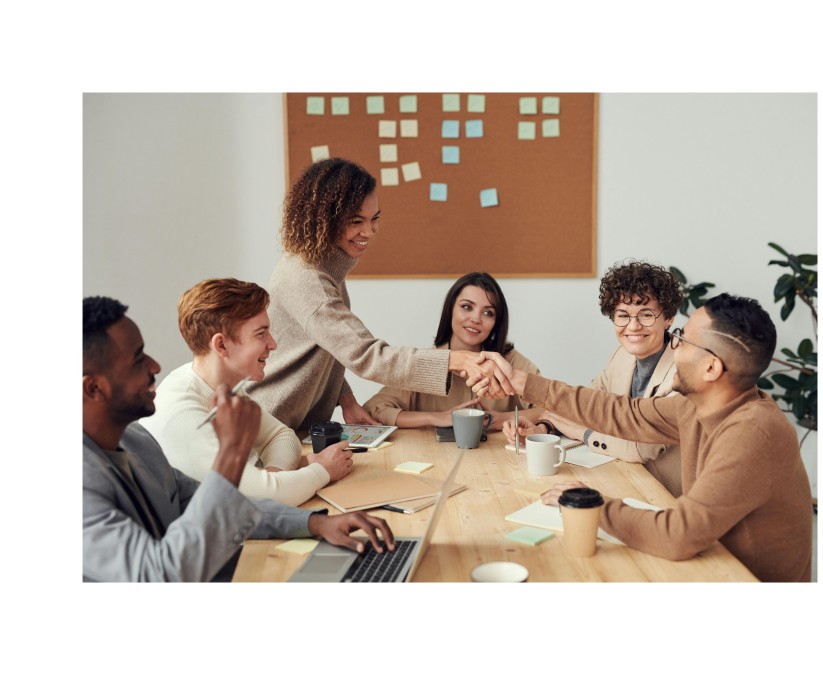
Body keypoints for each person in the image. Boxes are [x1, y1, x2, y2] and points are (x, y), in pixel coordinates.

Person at [478, 293, 813, 582]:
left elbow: (678, 534)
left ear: (711, 368)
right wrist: (524, 383)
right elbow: (623, 413)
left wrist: (594, 504)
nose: (674, 344)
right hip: (710, 562)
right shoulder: (696, 406)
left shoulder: (752, 432)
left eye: (682, 338)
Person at [83, 296, 394, 582]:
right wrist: (231, 453)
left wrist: (314, 524)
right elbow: (160, 576)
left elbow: (222, 505)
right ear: (93, 388)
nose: (155, 366)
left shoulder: (135, 440)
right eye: (138, 359)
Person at [247, 158, 512, 435]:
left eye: (375, 219)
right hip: (268, 426)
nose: (369, 231)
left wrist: (346, 399)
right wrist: (453, 360)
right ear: (325, 220)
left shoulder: (323, 268)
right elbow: (366, 354)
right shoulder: (308, 279)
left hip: (289, 427)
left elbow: (329, 346)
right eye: (356, 221)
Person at [139, 279, 352, 506]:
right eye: (261, 334)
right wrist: (322, 470)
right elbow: (263, 499)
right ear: (221, 345)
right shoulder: (183, 413)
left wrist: (273, 478)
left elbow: (280, 436)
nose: (273, 344)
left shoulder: (221, 386)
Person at [503, 260, 684, 495]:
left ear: (668, 318)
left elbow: (639, 449)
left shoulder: (683, 371)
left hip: (667, 496)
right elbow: (586, 405)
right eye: (623, 315)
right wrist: (545, 428)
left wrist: (582, 433)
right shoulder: (622, 356)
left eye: (646, 314)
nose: (633, 326)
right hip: (626, 481)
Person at [363, 272, 542, 431]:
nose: (476, 319)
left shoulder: (510, 362)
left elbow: (555, 408)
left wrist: (505, 419)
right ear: (450, 310)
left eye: (488, 313)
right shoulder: (425, 363)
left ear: (497, 322)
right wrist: (437, 417)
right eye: (467, 307)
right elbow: (374, 409)